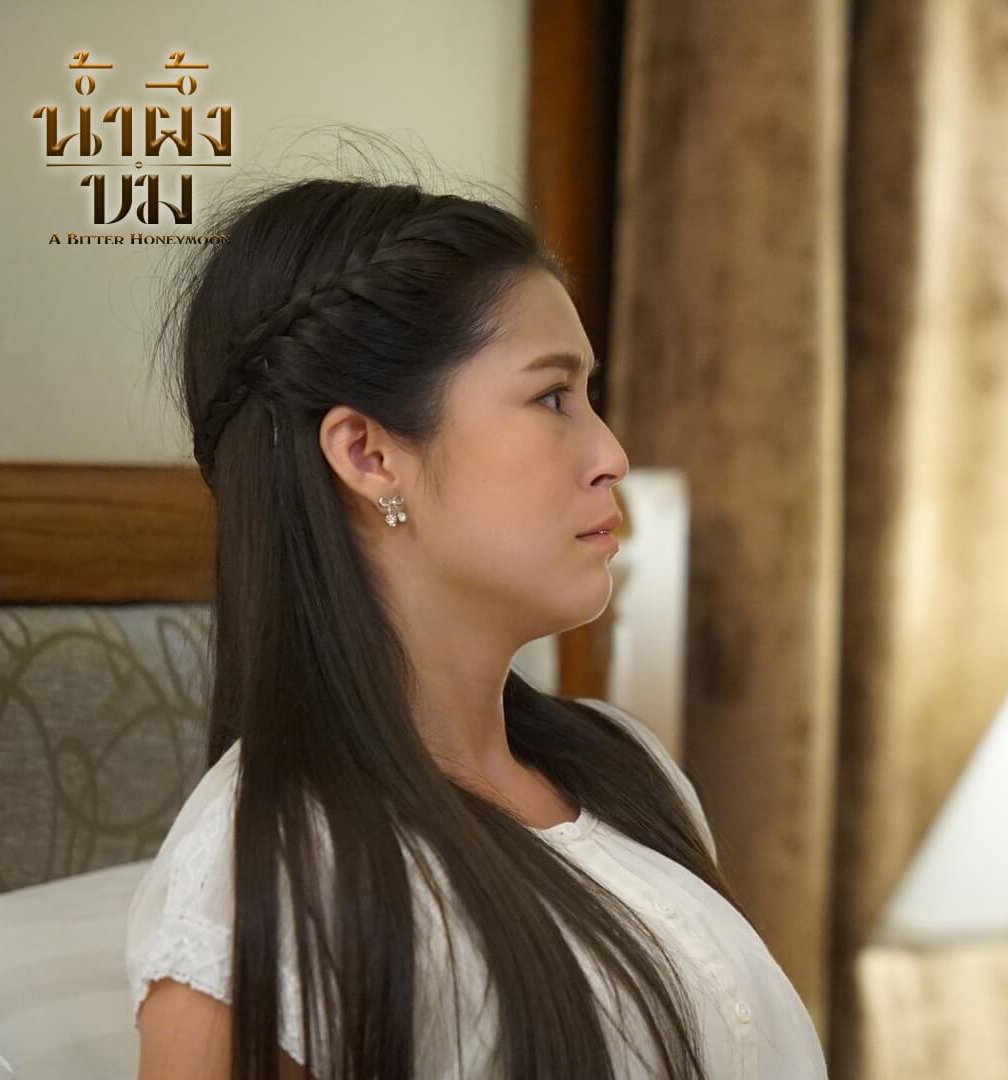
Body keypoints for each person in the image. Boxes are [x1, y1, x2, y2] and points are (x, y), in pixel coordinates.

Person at [126, 178, 827, 1079]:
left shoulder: (624, 768)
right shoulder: (273, 872)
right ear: (369, 453)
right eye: (553, 398)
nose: (611, 455)